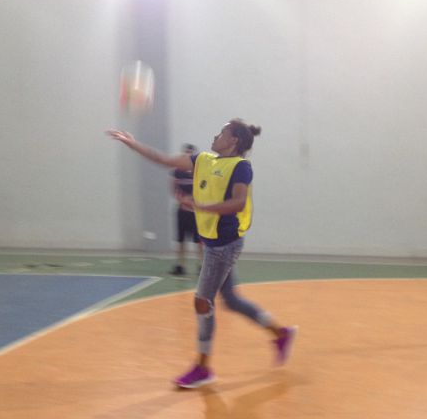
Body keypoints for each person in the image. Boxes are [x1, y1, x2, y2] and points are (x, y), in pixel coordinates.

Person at [107, 119, 297, 389]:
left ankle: (203, 367)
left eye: (222, 133)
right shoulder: (203, 160)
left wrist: (201, 206)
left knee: (202, 302)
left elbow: (238, 202)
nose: (216, 136)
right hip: (213, 243)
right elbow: (164, 159)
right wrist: (133, 144)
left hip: (224, 244)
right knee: (231, 301)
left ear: (233, 141)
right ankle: (281, 333)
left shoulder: (240, 167)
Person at [170, 143, 203, 276]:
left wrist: (194, 202)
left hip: (197, 212)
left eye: (191, 153)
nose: (188, 155)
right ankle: (180, 266)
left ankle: (201, 266)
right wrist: (183, 200)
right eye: (186, 153)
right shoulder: (177, 171)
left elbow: (204, 189)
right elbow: (174, 189)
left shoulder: (200, 171)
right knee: (181, 239)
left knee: (199, 240)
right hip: (182, 210)